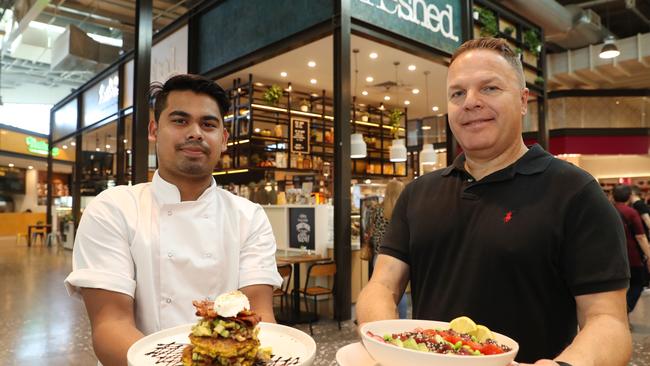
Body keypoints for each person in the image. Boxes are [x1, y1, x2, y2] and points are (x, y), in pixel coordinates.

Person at [356, 37, 632, 365]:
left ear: (522, 100)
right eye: (458, 93)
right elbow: (381, 286)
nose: (470, 102)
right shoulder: (418, 193)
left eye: (489, 88)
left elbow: (608, 321)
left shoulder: (575, 192)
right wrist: (385, 344)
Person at [64, 74, 283, 366]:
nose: (195, 132)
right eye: (180, 121)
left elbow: (260, 316)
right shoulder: (113, 209)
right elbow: (110, 325)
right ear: (154, 130)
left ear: (224, 139)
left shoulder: (249, 216)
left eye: (208, 124)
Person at [367, 179, 408, 318]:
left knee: (382, 290)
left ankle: (383, 321)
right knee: (400, 292)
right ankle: (401, 321)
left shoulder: (377, 209)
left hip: (380, 255)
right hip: (402, 256)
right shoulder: (405, 211)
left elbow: (370, 230)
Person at [613, 184, 650, 313]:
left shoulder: (608, 210)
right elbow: (641, 237)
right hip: (632, 256)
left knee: (618, 288)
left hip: (613, 256)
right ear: (629, 197)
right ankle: (625, 309)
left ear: (612, 196)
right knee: (638, 283)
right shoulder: (631, 212)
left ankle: (621, 311)